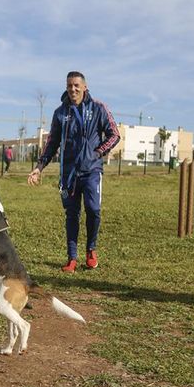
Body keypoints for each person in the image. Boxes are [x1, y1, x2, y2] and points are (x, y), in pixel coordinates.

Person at [27, 71, 120, 273]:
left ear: (85, 87)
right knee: (72, 214)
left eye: (77, 85)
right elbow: (51, 143)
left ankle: (91, 249)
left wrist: (98, 152)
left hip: (92, 170)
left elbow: (114, 135)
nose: (73, 89)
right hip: (69, 173)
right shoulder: (61, 113)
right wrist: (38, 168)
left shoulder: (98, 108)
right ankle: (72, 258)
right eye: (69, 85)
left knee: (93, 210)